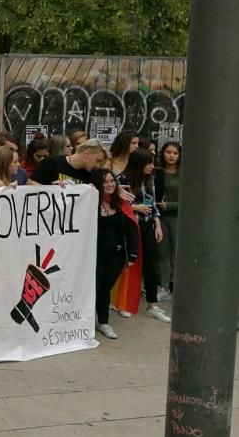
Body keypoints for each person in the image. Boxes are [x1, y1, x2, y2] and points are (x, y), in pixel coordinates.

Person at [118, 148, 170, 323]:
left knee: (151, 263)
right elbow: (115, 203)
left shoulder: (150, 180)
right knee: (129, 262)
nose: (152, 166)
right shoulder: (122, 179)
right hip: (129, 225)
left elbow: (153, 204)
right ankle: (123, 302)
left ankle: (152, 305)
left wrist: (157, 224)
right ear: (139, 163)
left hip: (147, 224)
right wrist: (135, 208)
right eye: (149, 163)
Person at [94, 169, 138, 340]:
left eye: (112, 181)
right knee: (95, 288)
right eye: (105, 181)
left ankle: (103, 322)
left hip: (116, 256)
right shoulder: (90, 202)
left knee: (105, 288)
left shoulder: (121, 204)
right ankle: (90, 321)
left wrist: (133, 254)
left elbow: (130, 230)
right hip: (93, 256)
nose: (110, 184)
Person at [154, 141, 181, 298]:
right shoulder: (158, 172)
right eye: (168, 152)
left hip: (179, 217)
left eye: (175, 153)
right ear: (163, 153)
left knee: (177, 253)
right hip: (161, 217)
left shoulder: (185, 173)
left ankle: (177, 286)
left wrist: (169, 205)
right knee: (163, 252)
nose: (171, 156)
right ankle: (164, 287)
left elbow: (192, 199)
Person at [29, 138, 103, 187]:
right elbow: (29, 183)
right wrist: (51, 189)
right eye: (98, 160)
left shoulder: (95, 175)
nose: (98, 165)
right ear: (87, 154)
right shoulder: (52, 162)